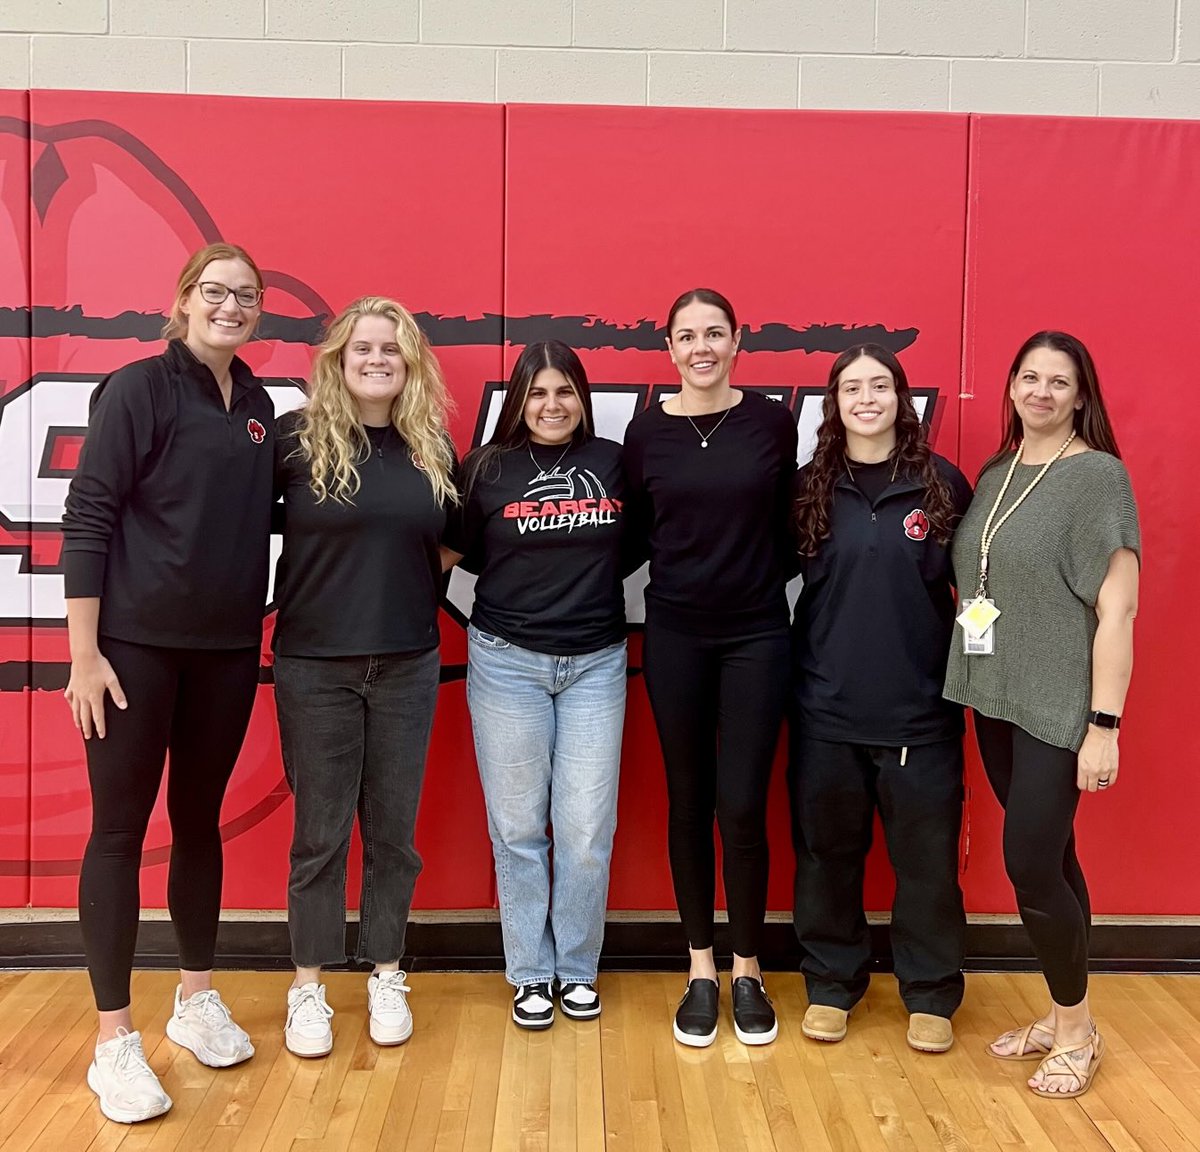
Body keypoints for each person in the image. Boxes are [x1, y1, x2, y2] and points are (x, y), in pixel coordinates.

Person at [61, 242, 272, 1123]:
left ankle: (194, 999)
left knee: (198, 824)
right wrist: (84, 655)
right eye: (215, 292)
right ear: (183, 300)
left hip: (225, 652)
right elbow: (89, 515)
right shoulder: (138, 389)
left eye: (246, 295)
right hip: (132, 653)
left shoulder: (258, 404)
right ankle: (113, 1040)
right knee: (118, 833)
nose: (230, 307)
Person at [944, 331, 1140, 1099]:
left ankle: (1078, 1032)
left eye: (1060, 382)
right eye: (1030, 377)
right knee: (1054, 859)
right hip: (997, 696)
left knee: (1029, 862)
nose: (1042, 392)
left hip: (1059, 706)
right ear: (1012, 387)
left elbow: (1119, 611)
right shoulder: (998, 474)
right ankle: (1063, 1019)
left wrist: (1104, 726)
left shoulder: (1098, 477)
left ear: (1081, 395)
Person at [272, 296, 458, 1057]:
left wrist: (394, 586)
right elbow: (234, 528)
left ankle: (386, 971)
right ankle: (308, 986)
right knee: (320, 835)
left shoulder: (430, 447)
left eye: (391, 348)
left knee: (393, 835)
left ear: (409, 363)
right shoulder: (294, 441)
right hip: (315, 666)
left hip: (408, 664)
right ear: (338, 360)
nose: (377, 359)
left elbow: (452, 542)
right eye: (363, 348)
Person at [622, 288, 798, 1047]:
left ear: (736, 342)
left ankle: (748, 969)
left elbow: (792, 528)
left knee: (743, 806)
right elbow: (633, 535)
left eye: (714, 333)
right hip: (676, 636)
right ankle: (700, 969)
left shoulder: (771, 422)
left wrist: (747, 582)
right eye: (687, 336)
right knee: (689, 801)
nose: (702, 347)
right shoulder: (644, 433)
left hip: (757, 634)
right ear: (669, 348)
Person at [789, 344, 972, 1054]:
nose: (867, 398)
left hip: (920, 716)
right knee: (826, 857)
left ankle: (929, 992)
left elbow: (980, 595)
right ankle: (832, 983)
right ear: (834, 403)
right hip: (825, 710)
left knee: (926, 867)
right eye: (852, 388)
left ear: (902, 398)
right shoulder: (808, 487)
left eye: (880, 386)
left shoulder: (942, 485)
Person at [442, 340, 627, 1029]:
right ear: (519, 400)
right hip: (506, 662)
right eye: (538, 393)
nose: (552, 405)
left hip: (596, 663)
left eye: (565, 391)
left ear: (583, 397)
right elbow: (454, 553)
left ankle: (576, 968)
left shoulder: (613, 463)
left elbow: (636, 545)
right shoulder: (485, 469)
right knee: (518, 827)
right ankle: (529, 973)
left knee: (585, 829)